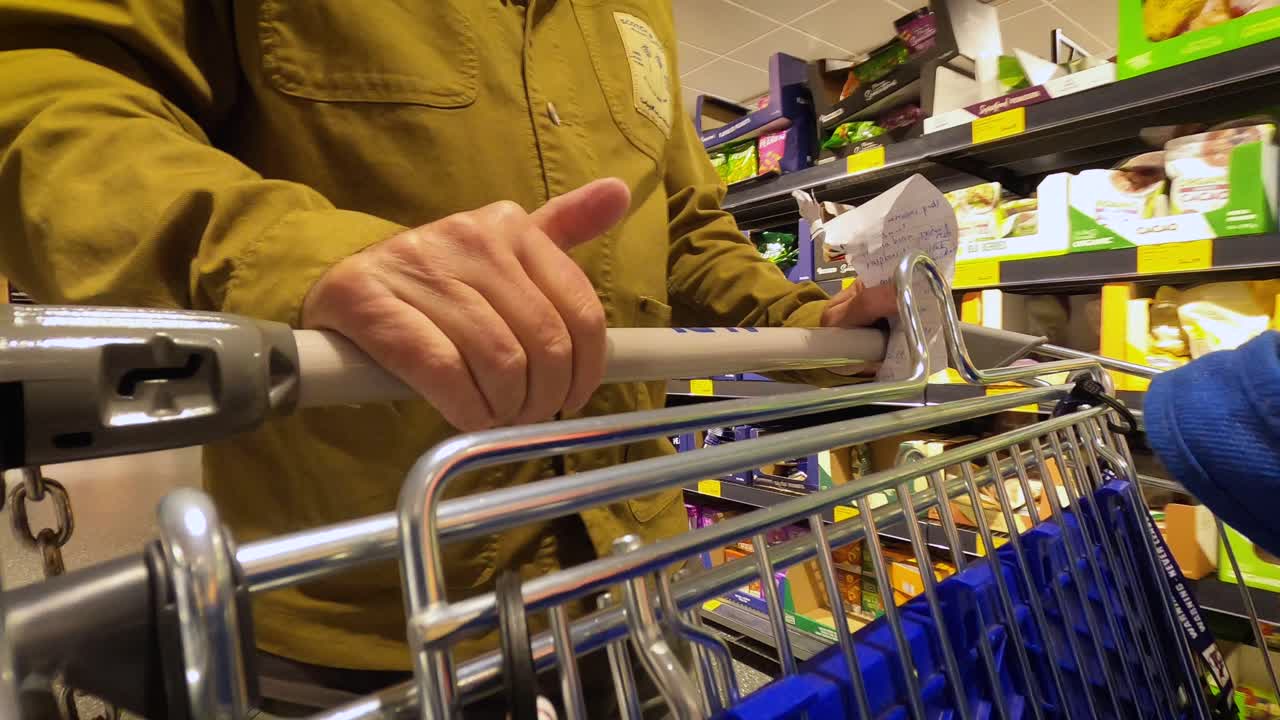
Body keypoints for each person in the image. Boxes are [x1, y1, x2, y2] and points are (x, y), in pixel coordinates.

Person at [0, 1, 896, 713]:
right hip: (366, 613)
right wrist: (296, 253)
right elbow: (46, 92)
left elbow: (688, 228)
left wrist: (820, 324)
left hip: (635, 578)